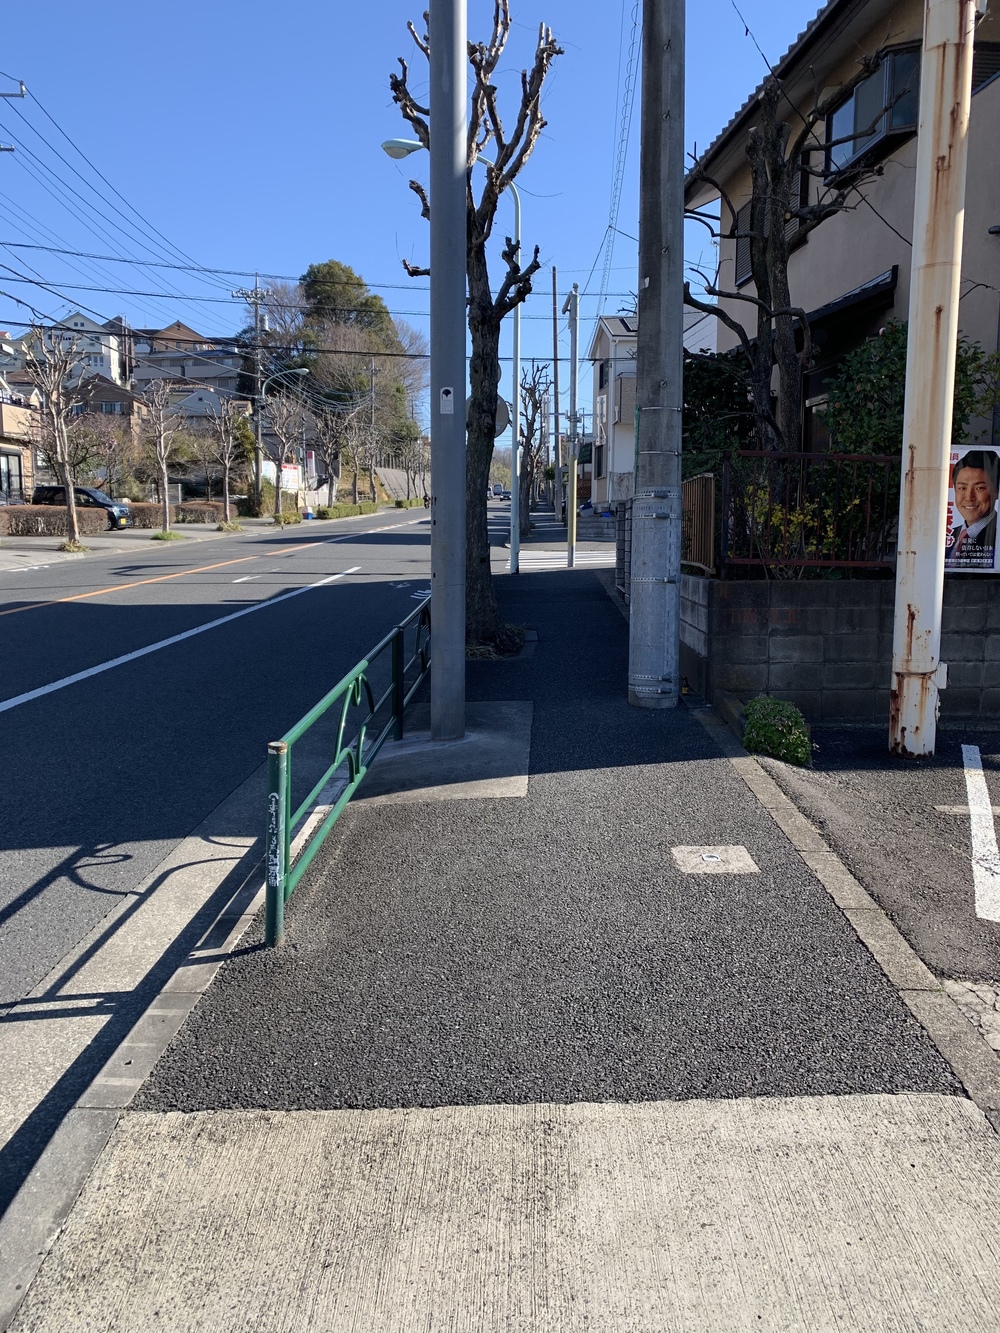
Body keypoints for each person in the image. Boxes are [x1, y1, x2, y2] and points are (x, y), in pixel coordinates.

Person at [946, 450, 999, 570]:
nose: (969, 497)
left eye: (979, 488)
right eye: (962, 488)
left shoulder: (997, 534)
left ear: (996, 491)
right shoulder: (947, 535)